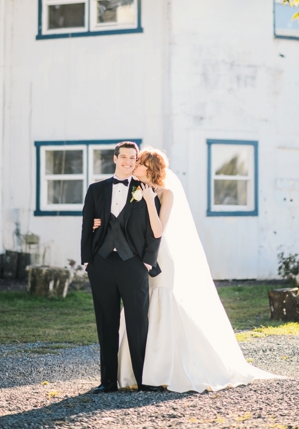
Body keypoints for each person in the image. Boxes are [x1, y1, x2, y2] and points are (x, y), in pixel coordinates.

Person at [113, 148, 281, 392]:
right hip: (139, 258)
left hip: (163, 257)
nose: (133, 165)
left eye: (138, 162)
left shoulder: (165, 194)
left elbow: (158, 229)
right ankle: (136, 370)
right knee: (140, 306)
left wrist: (150, 201)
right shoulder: (133, 191)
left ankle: (165, 369)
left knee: (162, 303)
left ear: (148, 168)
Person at [81, 141, 162, 394]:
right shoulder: (96, 189)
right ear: (115, 159)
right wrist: (87, 260)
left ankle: (144, 379)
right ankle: (107, 382)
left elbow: (154, 231)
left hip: (133, 264)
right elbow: (87, 224)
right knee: (106, 322)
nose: (128, 161)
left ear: (136, 161)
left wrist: (147, 261)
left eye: (132, 158)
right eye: (123, 157)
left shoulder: (146, 190)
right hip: (101, 263)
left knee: (138, 322)